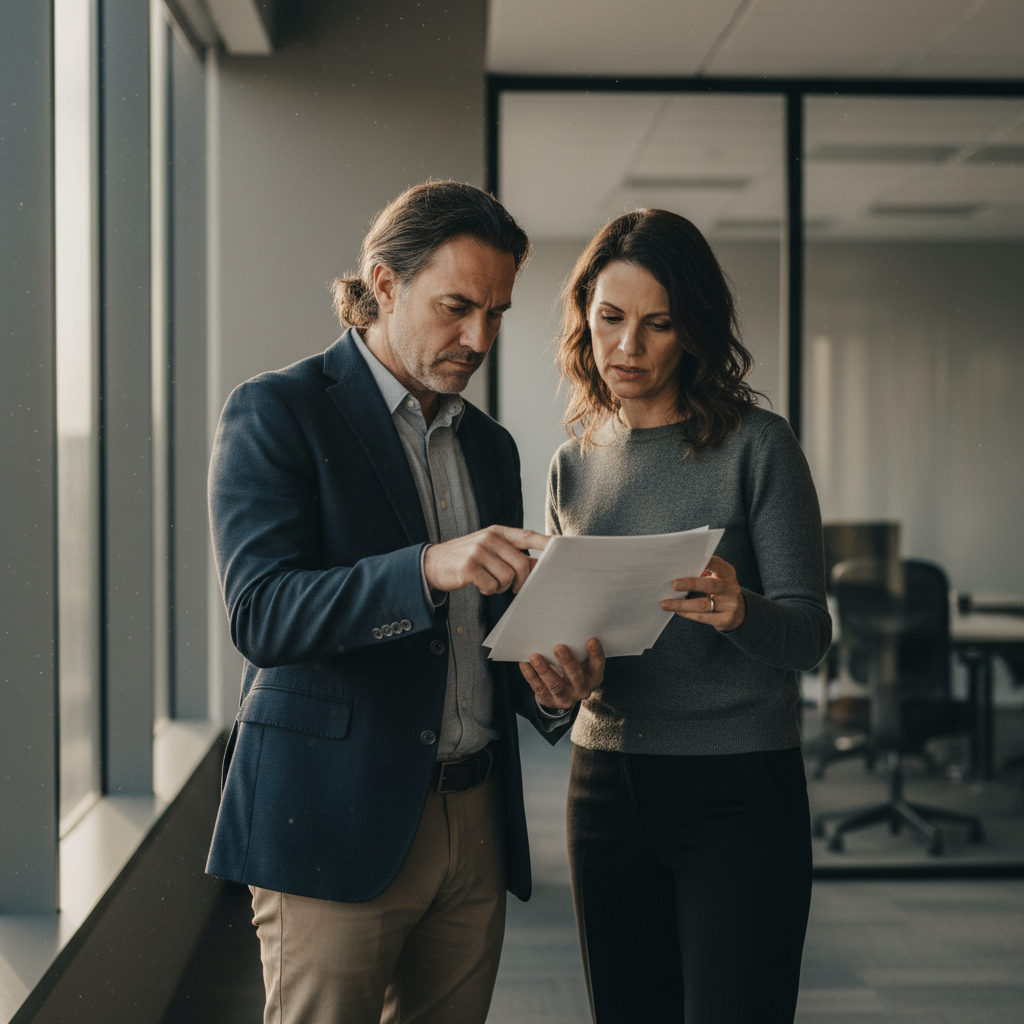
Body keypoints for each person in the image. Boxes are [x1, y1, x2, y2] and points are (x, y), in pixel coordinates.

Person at [205, 180, 604, 1024]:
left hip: (477, 817)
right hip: (333, 817)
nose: (478, 337)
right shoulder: (276, 411)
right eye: (457, 306)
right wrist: (423, 568)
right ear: (383, 285)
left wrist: (548, 685)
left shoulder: (489, 447)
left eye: (496, 313)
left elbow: (481, 634)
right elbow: (262, 614)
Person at [521, 209, 832, 1024]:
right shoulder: (573, 463)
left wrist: (740, 612)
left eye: (657, 325)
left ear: (691, 331)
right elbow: (571, 639)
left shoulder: (759, 447)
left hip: (738, 788)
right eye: (610, 320)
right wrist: (566, 683)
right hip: (605, 787)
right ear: (585, 321)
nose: (627, 347)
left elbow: (810, 634)